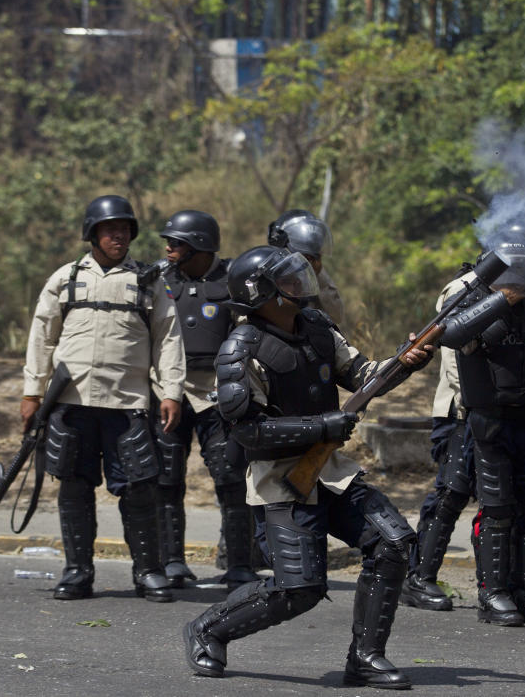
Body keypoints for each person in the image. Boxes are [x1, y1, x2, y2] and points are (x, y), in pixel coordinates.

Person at [183, 245, 432, 688]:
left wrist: (407, 361)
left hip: (331, 472)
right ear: (264, 293)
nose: (300, 284)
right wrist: (323, 424)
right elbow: (248, 432)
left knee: (393, 543)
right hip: (280, 480)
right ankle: (208, 629)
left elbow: (364, 376)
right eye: (288, 279)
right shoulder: (240, 350)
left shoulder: (317, 328)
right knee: (298, 590)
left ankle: (366, 658)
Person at [22, 194, 185, 602]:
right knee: (74, 488)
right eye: (111, 229)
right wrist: (31, 392)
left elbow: (168, 338)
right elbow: (41, 337)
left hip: (126, 404)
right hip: (71, 405)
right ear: (92, 233)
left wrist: (172, 392)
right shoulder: (66, 278)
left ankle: (147, 572)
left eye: (125, 229)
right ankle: (78, 571)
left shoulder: (148, 280)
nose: (119, 235)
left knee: (138, 489)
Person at [451, 231, 525, 627]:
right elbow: (455, 335)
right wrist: (499, 302)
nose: (519, 281)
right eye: (512, 272)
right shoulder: (472, 298)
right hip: (490, 420)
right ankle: (494, 593)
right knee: (498, 509)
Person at [151, 210, 259, 590]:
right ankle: (172, 562)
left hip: (217, 393)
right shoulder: (157, 278)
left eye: (176, 243)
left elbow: (251, 333)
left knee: (230, 477)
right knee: (166, 478)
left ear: (199, 244)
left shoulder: (234, 280)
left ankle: (240, 564)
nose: (168, 248)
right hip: (169, 392)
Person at [401, 260, 477, 612]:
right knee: (451, 492)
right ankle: (419, 577)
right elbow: (454, 362)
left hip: (501, 413)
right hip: (461, 411)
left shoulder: (523, 288)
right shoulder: (464, 289)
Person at [267, 209, 345, 324]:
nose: (310, 261)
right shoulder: (267, 272)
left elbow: (336, 316)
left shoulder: (316, 271)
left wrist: (317, 274)